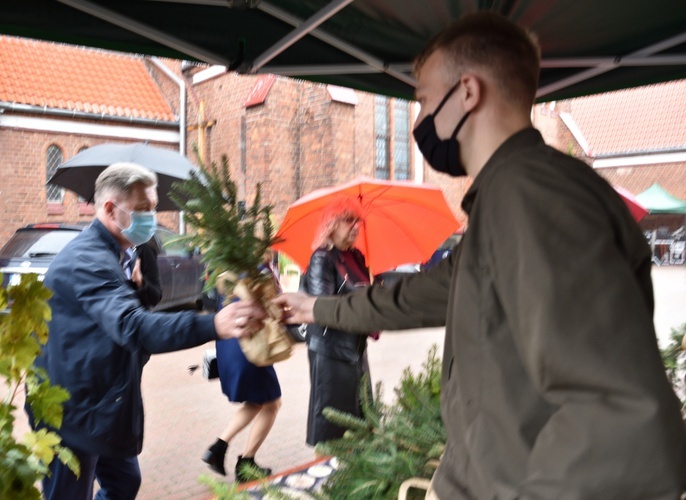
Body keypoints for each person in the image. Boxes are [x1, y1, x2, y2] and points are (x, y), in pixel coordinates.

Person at [274, 12, 686, 499]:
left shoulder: (530, 194)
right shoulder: (505, 198)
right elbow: (416, 297)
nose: (422, 120)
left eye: (424, 99)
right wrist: (314, 307)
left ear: (467, 92)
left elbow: (618, 417)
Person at [28, 162, 267, 500]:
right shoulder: (85, 260)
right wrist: (213, 323)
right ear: (111, 209)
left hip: (105, 401)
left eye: (153, 208)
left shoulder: (123, 254)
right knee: (68, 494)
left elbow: (118, 315)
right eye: (144, 209)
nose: (151, 218)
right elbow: (131, 325)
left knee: (124, 483)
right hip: (72, 407)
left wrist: (137, 288)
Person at [202, 247, 283, 483]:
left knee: (259, 401)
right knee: (272, 403)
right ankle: (245, 462)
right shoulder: (258, 274)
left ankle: (218, 449)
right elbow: (272, 309)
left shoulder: (226, 271)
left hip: (228, 344)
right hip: (249, 346)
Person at [303, 198, 374, 448]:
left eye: (358, 221)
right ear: (331, 224)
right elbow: (323, 308)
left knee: (360, 421)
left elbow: (363, 295)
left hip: (355, 350)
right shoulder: (322, 258)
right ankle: (326, 480)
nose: (355, 226)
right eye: (348, 220)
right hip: (330, 352)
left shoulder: (356, 256)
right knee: (330, 431)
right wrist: (364, 303)